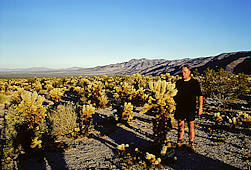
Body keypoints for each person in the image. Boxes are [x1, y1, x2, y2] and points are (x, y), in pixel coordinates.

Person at [174, 65, 203, 151]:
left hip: (190, 107)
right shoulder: (178, 82)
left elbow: (200, 96)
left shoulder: (194, 83)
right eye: (182, 72)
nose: (183, 74)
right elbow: (174, 94)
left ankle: (191, 142)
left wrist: (200, 107)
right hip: (180, 107)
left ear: (189, 72)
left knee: (191, 125)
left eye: (185, 72)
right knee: (180, 125)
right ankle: (179, 141)